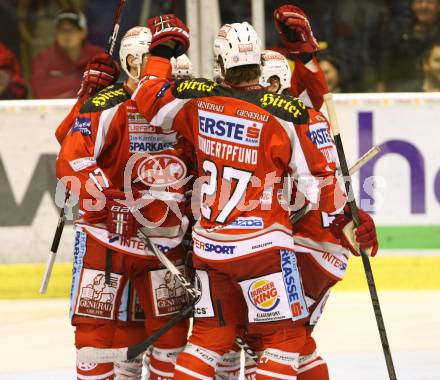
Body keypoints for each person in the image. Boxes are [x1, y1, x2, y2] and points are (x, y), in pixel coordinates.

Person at [133, 13, 348, 379]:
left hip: (210, 248)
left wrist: (162, 51)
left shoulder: (196, 101)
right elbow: (318, 186)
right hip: (263, 250)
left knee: (207, 338)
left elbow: (148, 97)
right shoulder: (285, 113)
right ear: (259, 61)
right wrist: (347, 218)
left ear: (219, 63)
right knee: (284, 339)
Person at [56, 26, 191, 380]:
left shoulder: (182, 107)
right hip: (108, 238)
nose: (156, 68)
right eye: (148, 59)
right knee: (94, 335)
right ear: (131, 62)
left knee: (172, 337)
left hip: (165, 240)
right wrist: (107, 200)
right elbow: (72, 156)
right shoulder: (107, 104)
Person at [30, 9, 104, 99]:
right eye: (62, 30)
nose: (66, 35)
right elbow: (40, 91)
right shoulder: (43, 58)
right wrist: (80, 84)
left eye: (71, 30)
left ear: (83, 32)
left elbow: (106, 89)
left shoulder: (99, 56)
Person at [380, 0, 440, 91]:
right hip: (405, 92)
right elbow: (386, 67)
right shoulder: (398, 33)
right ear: (412, 6)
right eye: (419, 2)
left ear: (439, 6)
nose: (424, 6)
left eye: (430, 2)